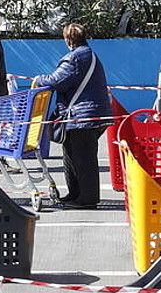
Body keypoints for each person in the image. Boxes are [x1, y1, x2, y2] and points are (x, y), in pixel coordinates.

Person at [32, 23, 112, 209]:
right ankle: (75, 193)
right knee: (72, 154)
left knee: (83, 158)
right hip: (90, 113)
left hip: (81, 116)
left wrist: (38, 79)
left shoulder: (74, 58)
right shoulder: (89, 55)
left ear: (68, 39)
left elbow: (56, 81)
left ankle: (87, 199)